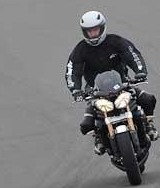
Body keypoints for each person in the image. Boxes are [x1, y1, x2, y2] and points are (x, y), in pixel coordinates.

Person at [65, 10, 158, 154]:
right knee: (86, 124)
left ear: (102, 28)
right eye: (89, 31)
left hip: (123, 85)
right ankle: (99, 138)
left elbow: (132, 54)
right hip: (96, 91)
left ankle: (149, 124)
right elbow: (72, 70)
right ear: (84, 32)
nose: (93, 34)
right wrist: (75, 90)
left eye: (95, 30)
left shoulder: (116, 41)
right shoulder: (80, 50)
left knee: (148, 99)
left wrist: (140, 72)